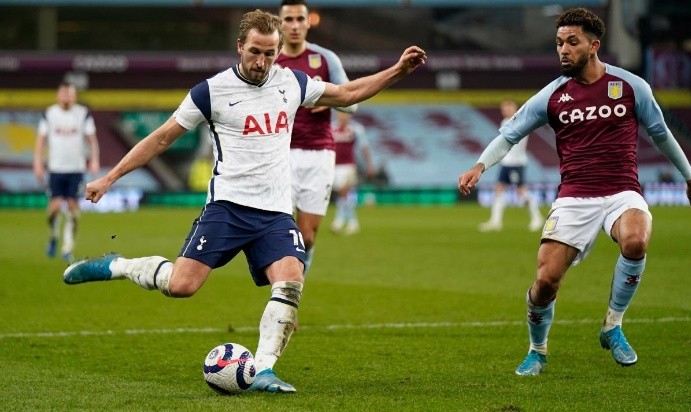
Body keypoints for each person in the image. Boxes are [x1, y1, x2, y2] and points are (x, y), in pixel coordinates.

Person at [62, 9, 425, 393]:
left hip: (274, 213)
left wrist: (398, 70)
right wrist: (109, 177)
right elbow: (162, 137)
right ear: (240, 47)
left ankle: (264, 370)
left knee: (290, 280)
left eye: (270, 53)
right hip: (227, 208)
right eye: (255, 51)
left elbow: (348, 93)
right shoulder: (211, 91)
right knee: (182, 286)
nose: (261, 61)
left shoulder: (291, 83)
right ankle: (118, 265)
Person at [458, 7, 691, 376]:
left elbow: (661, 133)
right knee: (545, 282)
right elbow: (509, 135)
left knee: (636, 240)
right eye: (559, 43)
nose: (563, 50)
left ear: (594, 45)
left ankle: (613, 325)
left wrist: (689, 176)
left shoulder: (631, 87)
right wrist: (480, 165)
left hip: (622, 190)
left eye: (571, 43)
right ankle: (537, 351)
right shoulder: (551, 96)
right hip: (574, 197)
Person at [276, 0, 358, 273]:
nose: (295, 25)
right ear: (280, 22)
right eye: (289, 19)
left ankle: (293, 291)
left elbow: (352, 102)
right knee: (282, 235)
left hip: (319, 153)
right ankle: (285, 302)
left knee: (307, 237)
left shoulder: (325, 59)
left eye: (300, 19)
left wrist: (328, 99)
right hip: (280, 155)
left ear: (308, 21)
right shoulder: (271, 60)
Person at [34, 81, 100, 264]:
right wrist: (38, 163)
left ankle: (67, 248)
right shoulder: (49, 114)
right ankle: (54, 234)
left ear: (74, 96)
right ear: (58, 95)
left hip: (76, 169)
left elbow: (92, 140)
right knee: (54, 208)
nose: (66, 97)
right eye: (64, 94)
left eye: (70, 94)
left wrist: (94, 160)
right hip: (55, 169)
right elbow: (41, 140)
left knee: (72, 207)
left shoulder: (83, 114)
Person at [478, 100, 543, 233]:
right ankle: (495, 221)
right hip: (506, 162)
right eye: (504, 108)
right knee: (499, 189)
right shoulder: (504, 122)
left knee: (521, 191)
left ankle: (537, 218)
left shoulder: (521, 121)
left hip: (516, 163)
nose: (505, 111)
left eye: (508, 108)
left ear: (515, 109)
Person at [329, 111, 375, 235]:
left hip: (349, 165)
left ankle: (340, 220)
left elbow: (364, 147)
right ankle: (350, 221)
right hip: (334, 166)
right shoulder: (331, 127)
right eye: (340, 114)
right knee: (341, 194)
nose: (342, 116)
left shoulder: (356, 128)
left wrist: (369, 164)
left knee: (344, 191)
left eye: (345, 114)